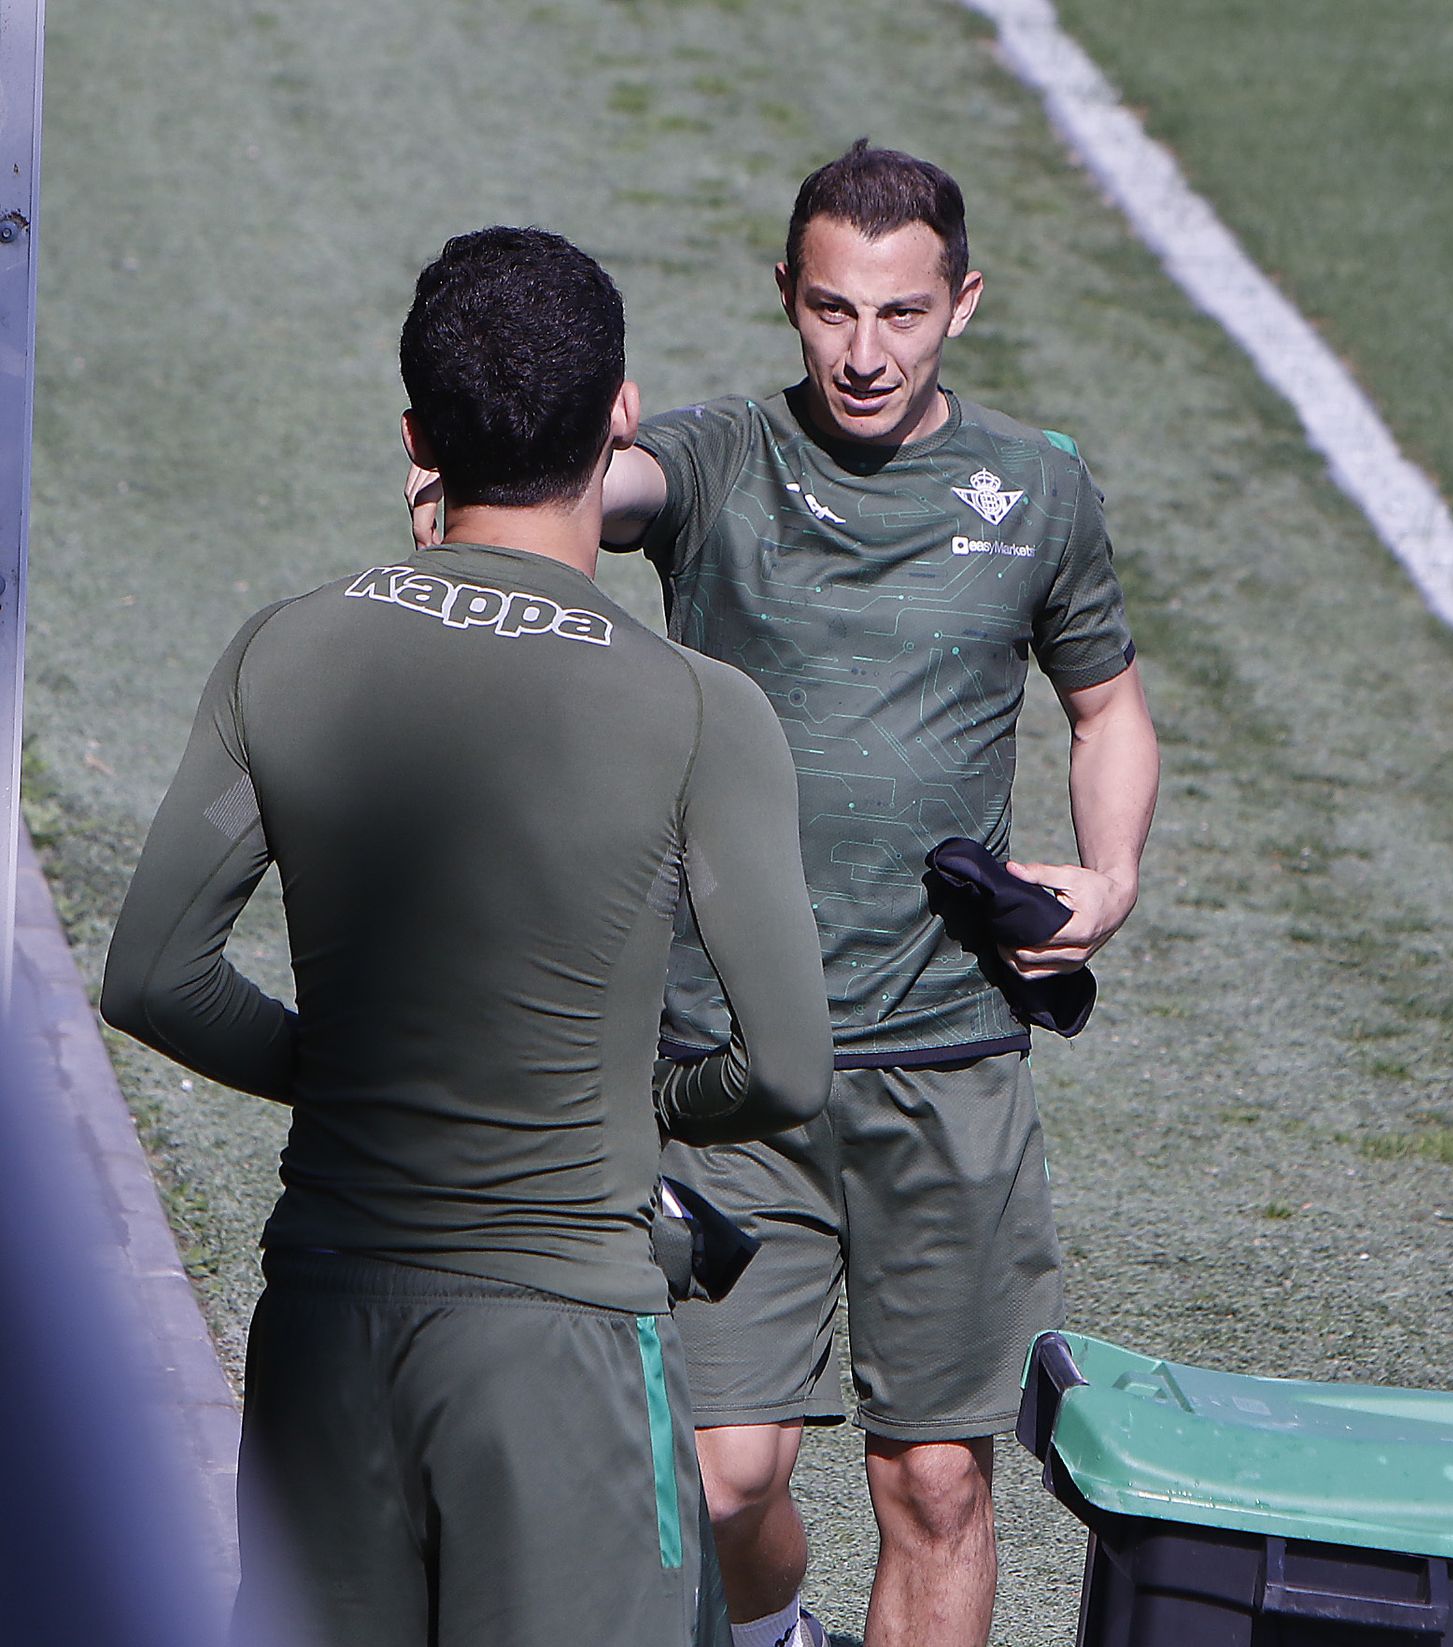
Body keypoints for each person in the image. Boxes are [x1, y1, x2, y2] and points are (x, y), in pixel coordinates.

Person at [417, 141, 1162, 1647]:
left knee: (938, 1485)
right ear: (785, 296)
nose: (864, 352)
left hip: (947, 1062)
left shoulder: (1038, 490)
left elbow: (1108, 708)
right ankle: (771, 1635)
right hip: (728, 1063)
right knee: (719, 1470)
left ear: (963, 301)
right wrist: (508, 457)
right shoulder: (717, 458)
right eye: (831, 312)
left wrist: (1114, 872)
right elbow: (604, 485)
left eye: (900, 314)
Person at [102, 225, 833, 1647]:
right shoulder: (697, 710)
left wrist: (365, 1071)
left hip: (325, 1326)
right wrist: (652, 1101)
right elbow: (790, 1067)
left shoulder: (285, 648)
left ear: (418, 433)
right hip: (559, 1336)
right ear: (620, 417)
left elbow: (153, 978)